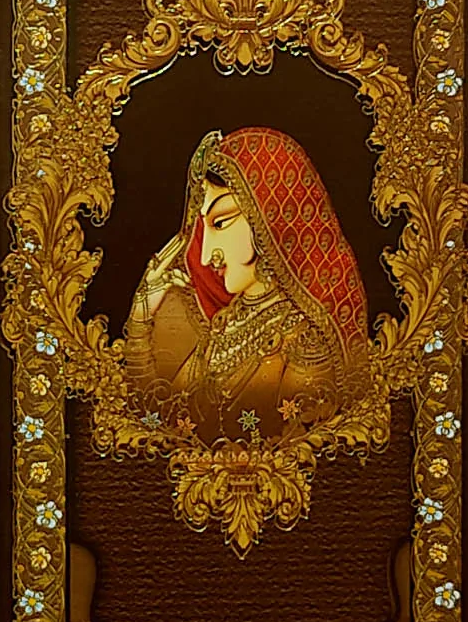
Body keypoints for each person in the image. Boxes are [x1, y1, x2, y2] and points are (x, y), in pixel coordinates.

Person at [124, 127, 371, 442]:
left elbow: (287, 451)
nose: (205, 256)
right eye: (204, 228)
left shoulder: (308, 342)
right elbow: (161, 420)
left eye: (221, 223)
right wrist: (142, 312)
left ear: (269, 220)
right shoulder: (227, 324)